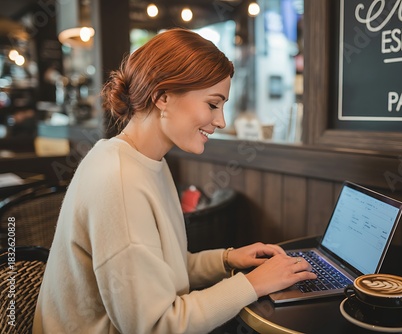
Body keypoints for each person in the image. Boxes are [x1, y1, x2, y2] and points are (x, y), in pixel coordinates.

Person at [33, 28, 316, 334]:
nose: (221, 121)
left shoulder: (147, 160)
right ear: (163, 96)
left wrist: (226, 259)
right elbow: (156, 325)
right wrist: (251, 284)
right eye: (212, 104)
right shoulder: (119, 180)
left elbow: (161, 271)